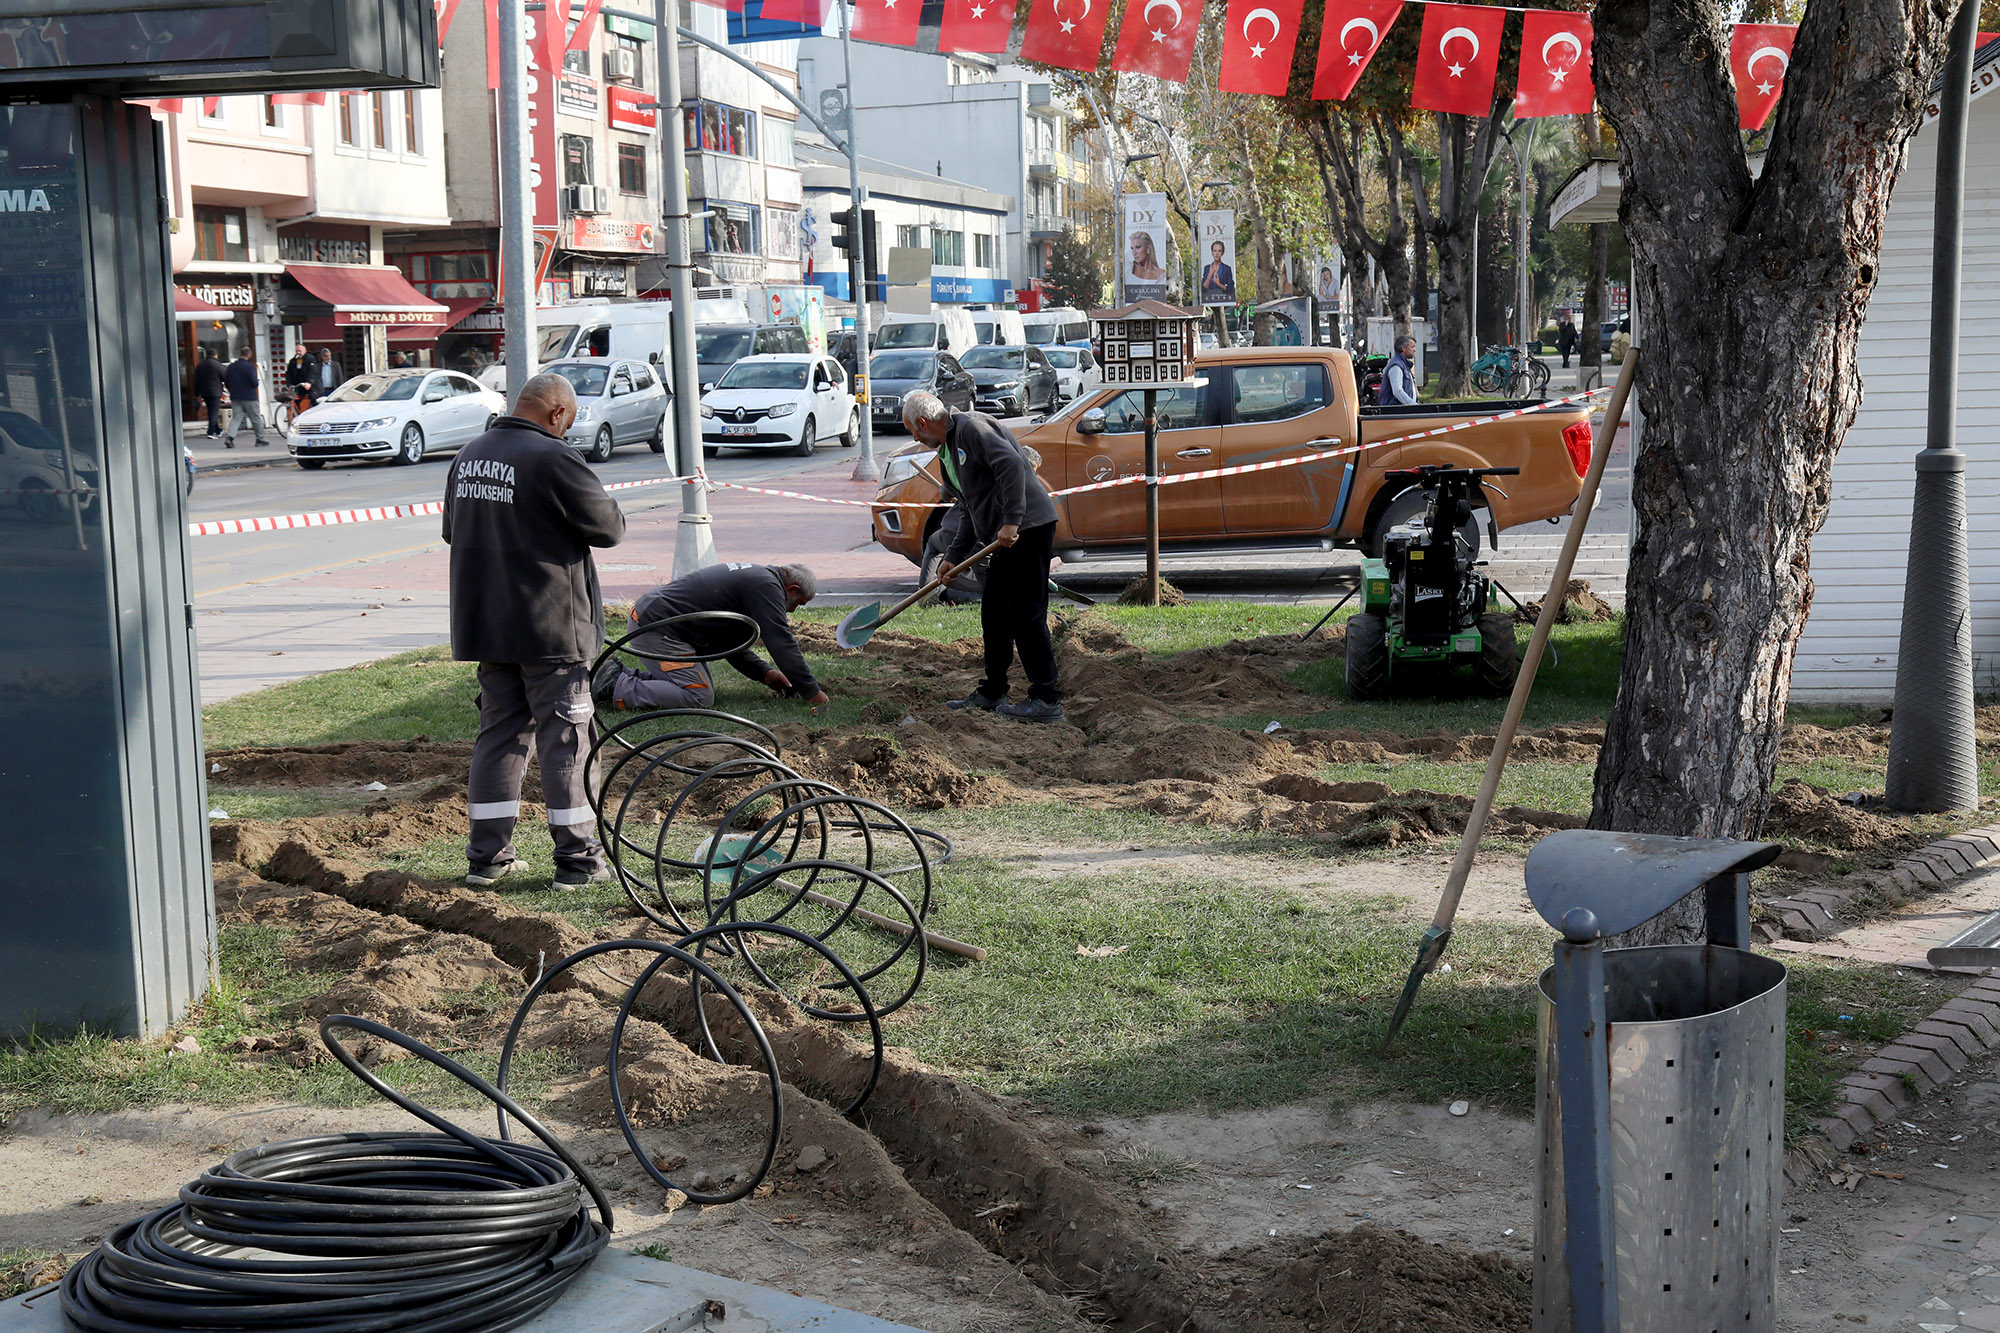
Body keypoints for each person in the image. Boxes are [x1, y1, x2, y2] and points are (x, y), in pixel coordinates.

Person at [442, 372, 627, 889]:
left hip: (487, 624)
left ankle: (486, 859)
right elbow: (609, 528)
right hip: (549, 628)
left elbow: (453, 530)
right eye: (567, 421)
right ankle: (579, 861)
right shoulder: (554, 457)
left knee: (499, 736)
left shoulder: (469, 455)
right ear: (556, 414)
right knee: (566, 739)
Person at [901, 389, 1063, 724]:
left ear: (922, 423)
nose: (915, 438)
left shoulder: (971, 428)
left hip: (1028, 528)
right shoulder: (947, 452)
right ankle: (994, 691)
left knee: (1026, 614)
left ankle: (1046, 699)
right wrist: (953, 556)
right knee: (994, 612)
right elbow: (969, 510)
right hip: (1006, 536)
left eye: (913, 431)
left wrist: (1012, 521)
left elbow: (1012, 465)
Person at [593, 563, 829, 712]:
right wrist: (811, 692)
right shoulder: (767, 587)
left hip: (660, 623)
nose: (792, 610)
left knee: (696, 685)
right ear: (792, 590)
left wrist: (764, 674)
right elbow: (780, 641)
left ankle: (618, 676)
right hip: (657, 628)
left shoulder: (758, 579)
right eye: (799, 603)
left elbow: (729, 643)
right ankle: (614, 689)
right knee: (698, 695)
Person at [221, 345, 266, 447]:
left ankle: (229, 437)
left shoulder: (231, 366)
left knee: (236, 418)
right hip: (249, 397)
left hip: (235, 396)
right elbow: (254, 383)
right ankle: (260, 439)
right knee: (255, 418)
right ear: (249, 355)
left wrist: (232, 390)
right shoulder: (248, 366)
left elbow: (226, 381)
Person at [1377, 333, 1418, 407]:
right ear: (1404, 348)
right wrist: (1413, 406)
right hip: (1396, 412)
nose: (1415, 350)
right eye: (1412, 347)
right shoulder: (1396, 366)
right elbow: (1398, 391)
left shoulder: (1403, 364)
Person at [192, 350, 225, 438]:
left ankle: (218, 430)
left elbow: (197, 381)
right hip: (215, 392)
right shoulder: (218, 365)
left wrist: (196, 394)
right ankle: (210, 432)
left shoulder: (200, 365)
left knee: (211, 411)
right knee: (214, 412)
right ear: (215, 355)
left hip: (205, 392)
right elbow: (225, 377)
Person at [1199, 240, 1235, 305]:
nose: (1217, 253)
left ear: (1222, 253)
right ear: (1212, 252)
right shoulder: (1207, 268)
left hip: (1223, 299)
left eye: (1219, 251)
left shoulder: (1226, 269)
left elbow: (1230, 288)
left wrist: (1218, 284)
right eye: (1215, 251)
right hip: (1209, 299)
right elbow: (1203, 288)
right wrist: (1209, 275)